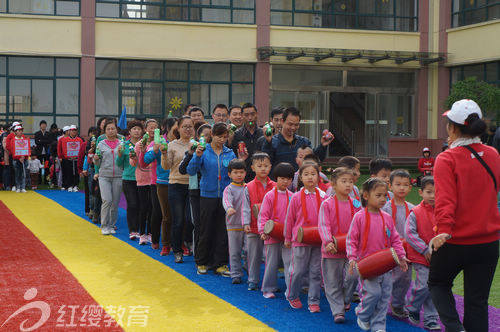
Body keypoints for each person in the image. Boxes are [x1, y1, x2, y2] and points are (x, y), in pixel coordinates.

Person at [429, 99, 500, 332]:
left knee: (438, 283)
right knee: (477, 303)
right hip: (488, 242)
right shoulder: (493, 154)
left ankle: (453, 327)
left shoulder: (447, 158)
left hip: (455, 240)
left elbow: (445, 201)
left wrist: (444, 230)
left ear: (453, 128)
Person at [347, 178, 408, 332]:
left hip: (386, 265)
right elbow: (351, 240)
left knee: (384, 297)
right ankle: (363, 313)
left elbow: (395, 239)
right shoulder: (359, 217)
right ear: (366, 196)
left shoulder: (386, 217)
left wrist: (401, 257)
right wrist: (352, 258)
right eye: (378, 195)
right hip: (367, 266)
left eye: (384, 196)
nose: (382, 199)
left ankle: (379, 325)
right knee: (373, 293)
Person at [187, 122, 236, 277]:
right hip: (207, 195)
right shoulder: (203, 151)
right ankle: (202, 262)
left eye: (225, 137)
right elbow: (191, 170)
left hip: (225, 197)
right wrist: (197, 156)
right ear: (212, 136)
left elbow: (235, 172)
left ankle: (220, 263)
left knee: (222, 231)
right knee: (205, 229)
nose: (222, 140)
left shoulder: (230, 153)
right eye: (219, 136)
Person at [318, 167, 362, 324]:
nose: (348, 185)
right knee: (332, 282)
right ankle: (337, 311)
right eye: (344, 181)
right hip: (332, 250)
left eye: (350, 181)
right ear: (333, 184)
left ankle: (345, 299)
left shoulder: (356, 204)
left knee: (353, 275)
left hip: (351, 250)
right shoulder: (327, 204)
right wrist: (328, 241)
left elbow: (361, 224)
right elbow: (324, 225)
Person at [285, 161, 328, 313]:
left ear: (318, 176)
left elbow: (327, 219)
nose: (310, 177)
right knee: (297, 270)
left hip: (317, 240)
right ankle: (292, 295)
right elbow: (289, 219)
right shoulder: (296, 197)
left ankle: (314, 301)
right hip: (300, 240)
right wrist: (287, 238)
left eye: (313, 174)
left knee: (316, 272)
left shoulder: (324, 197)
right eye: (306, 174)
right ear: (301, 178)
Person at [404, 176, 441, 330]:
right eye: (428, 192)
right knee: (423, 286)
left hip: (440, 258)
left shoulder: (443, 211)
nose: (432, 196)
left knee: (435, 288)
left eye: (436, 192)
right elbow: (409, 233)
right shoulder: (415, 212)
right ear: (421, 193)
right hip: (421, 256)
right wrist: (424, 249)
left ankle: (431, 318)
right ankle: (412, 307)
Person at [381, 169, 414, 319]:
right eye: (398, 184)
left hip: (407, 251)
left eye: (405, 185)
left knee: (404, 278)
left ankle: (397, 304)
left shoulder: (413, 209)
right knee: (384, 277)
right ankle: (379, 301)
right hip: (387, 249)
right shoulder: (385, 208)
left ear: (410, 188)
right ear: (390, 186)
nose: (401, 188)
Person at [258, 162, 295, 299]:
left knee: (289, 263)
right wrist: (263, 231)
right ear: (276, 178)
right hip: (271, 235)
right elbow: (263, 215)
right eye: (282, 178)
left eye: (288, 179)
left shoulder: (292, 196)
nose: (285, 181)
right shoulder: (270, 196)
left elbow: (295, 216)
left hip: (287, 236)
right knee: (271, 262)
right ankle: (268, 288)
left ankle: (290, 289)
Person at [161, 116, 195, 263]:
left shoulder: (197, 144)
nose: (187, 129)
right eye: (184, 126)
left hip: (192, 185)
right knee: (178, 220)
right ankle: (177, 250)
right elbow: (166, 166)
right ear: (178, 128)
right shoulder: (172, 145)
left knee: (189, 219)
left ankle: (188, 242)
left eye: (190, 126)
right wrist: (163, 153)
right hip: (175, 184)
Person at [262, 107, 334, 171]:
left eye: (296, 124)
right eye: (290, 124)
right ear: (282, 121)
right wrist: (268, 142)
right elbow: (265, 163)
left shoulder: (304, 142)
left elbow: (315, 161)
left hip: (300, 184)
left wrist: (323, 146)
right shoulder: (272, 141)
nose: (293, 128)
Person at [243, 152, 276, 290]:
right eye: (259, 165)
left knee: (271, 257)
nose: (263, 168)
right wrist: (245, 223)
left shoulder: (275, 186)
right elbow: (245, 207)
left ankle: (271, 282)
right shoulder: (248, 186)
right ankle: (253, 280)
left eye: (266, 166)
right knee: (253, 255)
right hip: (253, 226)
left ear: (270, 167)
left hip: (270, 227)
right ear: (252, 167)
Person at [178, 123, 212, 255]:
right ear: (198, 137)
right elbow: (182, 170)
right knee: (197, 223)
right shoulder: (192, 151)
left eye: (210, 135)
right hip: (196, 191)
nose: (208, 138)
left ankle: (210, 250)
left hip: (212, 192)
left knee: (210, 223)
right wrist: (191, 154)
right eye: (205, 135)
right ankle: (199, 252)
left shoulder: (218, 152)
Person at [141, 119, 173, 252]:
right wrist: (154, 149)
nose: (153, 130)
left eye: (155, 128)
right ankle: (155, 239)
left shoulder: (178, 143)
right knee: (158, 212)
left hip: (176, 181)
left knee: (172, 213)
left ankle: (172, 240)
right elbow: (144, 162)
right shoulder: (156, 143)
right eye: (151, 128)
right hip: (157, 182)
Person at [94, 120, 123, 235]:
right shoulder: (101, 144)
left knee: (115, 202)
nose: (111, 131)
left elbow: (124, 159)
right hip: (104, 176)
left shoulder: (122, 143)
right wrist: (95, 159)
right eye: (108, 129)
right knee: (107, 200)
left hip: (118, 175)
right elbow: (97, 162)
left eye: (113, 129)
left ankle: (112, 225)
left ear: (116, 130)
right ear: (104, 131)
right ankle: (104, 225)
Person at [222, 159, 248, 284]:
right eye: (235, 172)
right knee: (234, 251)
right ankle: (236, 274)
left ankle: (249, 268)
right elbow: (226, 200)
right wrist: (229, 208)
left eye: (241, 172)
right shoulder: (229, 189)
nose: (239, 175)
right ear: (229, 174)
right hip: (233, 224)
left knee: (249, 249)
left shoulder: (248, 187)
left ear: (245, 173)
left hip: (247, 224)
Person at [117, 120, 143, 240]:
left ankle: (140, 229)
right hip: (128, 178)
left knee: (141, 205)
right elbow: (119, 164)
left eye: (139, 129)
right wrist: (120, 155)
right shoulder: (124, 145)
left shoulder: (145, 144)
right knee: (132, 204)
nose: (137, 131)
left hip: (143, 179)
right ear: (129, 131)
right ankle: (133, 230)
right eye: (134, 129)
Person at [58, 125, 83, 192]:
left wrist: (78, 156)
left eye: (75, 130)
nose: (73, 132)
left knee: (77, 173)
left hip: (76, 159)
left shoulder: (80, 140)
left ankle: (75, 185)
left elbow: (81, 149)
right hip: (68, 159)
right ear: (70, 131)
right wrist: (67, 156)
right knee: (69, 172)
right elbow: (64, 149)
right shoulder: (65, 140)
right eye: (72, 130)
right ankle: (69, 185)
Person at [8, 125, 30, 193]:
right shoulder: (13, 140)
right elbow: (12, 151)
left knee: (23, 173)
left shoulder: (24, 139)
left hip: (24, 159)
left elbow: (27, 149)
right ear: (16, 132)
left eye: (21, 131)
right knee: (17, 174)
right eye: (19, 131)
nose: (20, 132)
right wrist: (19, 157)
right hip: (16, 159)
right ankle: (18, 187)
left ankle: (23, 187)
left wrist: (24, 156)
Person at [34, 120, 52, 184]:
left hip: (47, 153)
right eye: (42, 124)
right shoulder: (37, 133)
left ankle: (46, 180)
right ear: (40, 126)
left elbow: (49, 141)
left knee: (47, 166)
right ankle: (39, 180)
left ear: (46, 126)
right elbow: (36, 142)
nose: (43, 126)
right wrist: (44, 141)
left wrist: (41, 140)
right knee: (39, 166)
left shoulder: (48, 133)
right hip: (39, 152)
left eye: (45, 124)